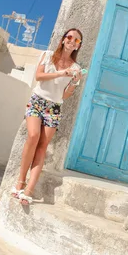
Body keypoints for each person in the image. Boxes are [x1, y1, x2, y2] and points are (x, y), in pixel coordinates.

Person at [12, 28, 84, 205]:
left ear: (78, 46)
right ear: (62, 39)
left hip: (54, 107)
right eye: (69, 37)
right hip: (37, 101)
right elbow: (39, 76)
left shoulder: (76, 68)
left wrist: (75, 81)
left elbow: (65, 95)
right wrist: (60, 73)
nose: (72, 41)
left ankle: (29, 190)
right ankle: (20, 181)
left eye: (76, 40)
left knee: (42, 146)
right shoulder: (48, 55)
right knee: (33, 135)